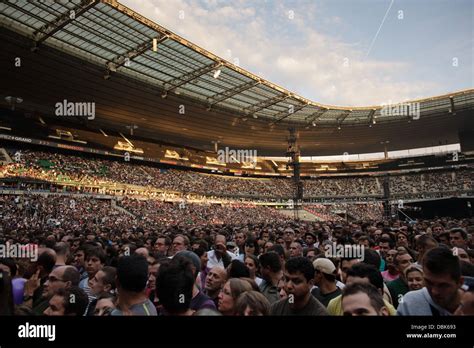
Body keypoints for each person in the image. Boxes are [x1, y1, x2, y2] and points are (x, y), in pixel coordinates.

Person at [397, 247, 464, 316]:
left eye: (442, 285)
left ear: (460, 282)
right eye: (429, 283)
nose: (434, 291)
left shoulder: (470, 305)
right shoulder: (409, 302)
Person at [327, 263, 396, 316]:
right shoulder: (334, 305)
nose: (354, 294)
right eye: (349, 289)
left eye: (361, 313)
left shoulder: (391, 311)